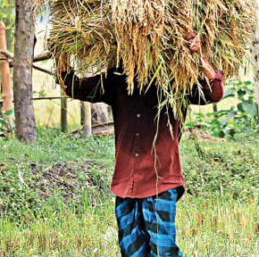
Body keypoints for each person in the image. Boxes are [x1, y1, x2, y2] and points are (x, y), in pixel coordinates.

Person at [58, 35, 223, 256]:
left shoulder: (175, 78)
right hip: (126, 181)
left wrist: (199, 57)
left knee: (163, 250)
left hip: (161, 179)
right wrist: (61, 53)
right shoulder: (117, 78)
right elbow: (74, 87)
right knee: (131, 250)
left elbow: (214, 92)